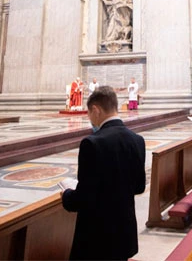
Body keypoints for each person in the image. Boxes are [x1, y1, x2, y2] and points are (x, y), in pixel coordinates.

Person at [61, 87, 145, 260]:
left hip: (97, 235)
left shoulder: (92, 143)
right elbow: (139, 186)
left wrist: (67, 194)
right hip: (124, 232)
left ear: (96, 110)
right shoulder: (137, 140)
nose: (90, 119)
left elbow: (84, 198)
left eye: (89, 114)